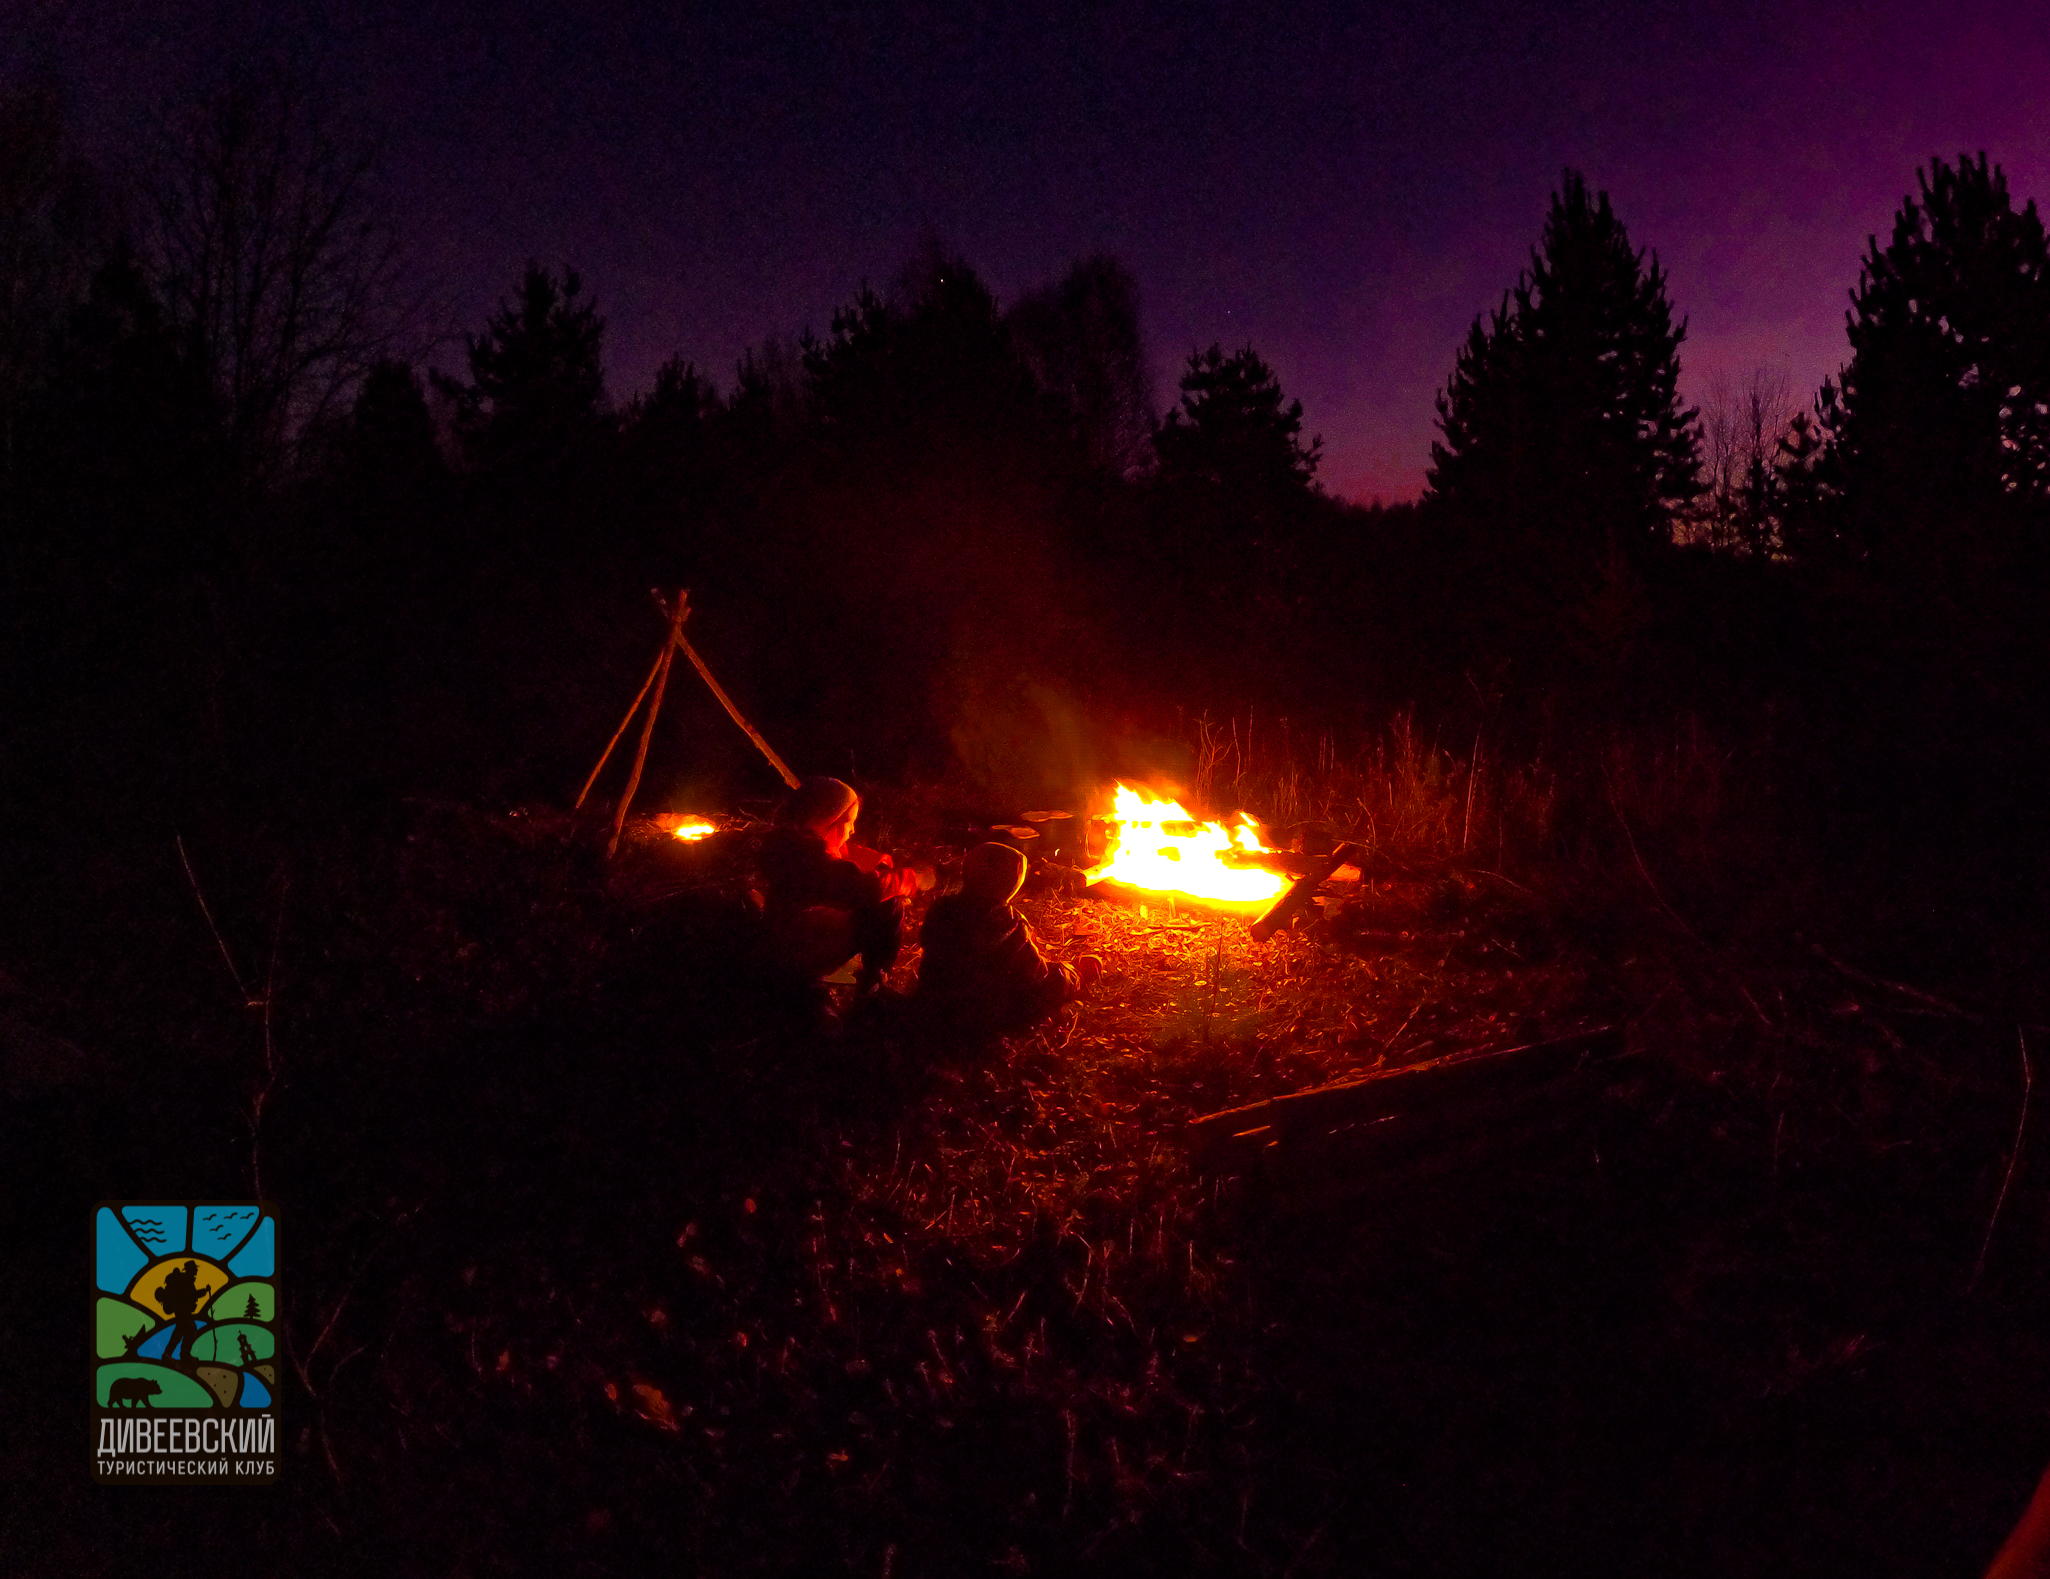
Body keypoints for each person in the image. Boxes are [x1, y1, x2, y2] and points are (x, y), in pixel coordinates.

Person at [914, 842, 1102, 1038]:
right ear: (1011, 884)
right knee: (1055, 979)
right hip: (982, 1017)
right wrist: (1059, 974)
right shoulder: (1007, 923)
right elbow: (1036, 974)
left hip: (935, 1002)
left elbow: (928, 942)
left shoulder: (942, 908)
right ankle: (1077, 975)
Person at [757, 777, 917, 998]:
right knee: (888, 904)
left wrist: (878, 860)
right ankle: (873, 983)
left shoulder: (797, 839)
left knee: (880, 899)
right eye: (848, 821)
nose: (852, 830)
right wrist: (905, 881)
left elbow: (845, 852)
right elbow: (863, 889)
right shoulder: (801, 856)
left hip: (795, 933)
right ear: (826, 819)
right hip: (794, 949)